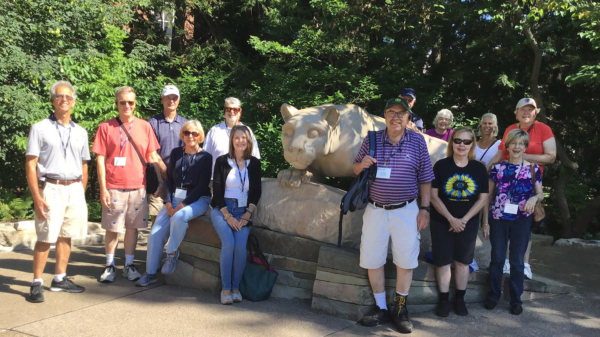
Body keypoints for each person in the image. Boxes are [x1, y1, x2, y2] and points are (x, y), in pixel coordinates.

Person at [354, 97, 434, 333]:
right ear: (385, 116)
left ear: (409, 117)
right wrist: (362, 165)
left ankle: (400, 309)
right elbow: (355, 167)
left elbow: (426, 179)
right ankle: (381, 308)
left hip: (406, 210)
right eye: (391, 112)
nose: (396, 117)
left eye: (401, 113)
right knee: (372, 259)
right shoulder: (372, 139)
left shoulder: (418, 142)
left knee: (405, 261)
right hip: (375, 209)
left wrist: (425, 209)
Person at [25, 80, 89, 302]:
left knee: (66, 235)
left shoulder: (80, 131)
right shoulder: (39, 128)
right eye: (60, 96)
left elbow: (84, 164)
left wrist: (80, 190)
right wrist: (37, 196)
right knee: (45, 236)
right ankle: (36, 283)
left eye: (68, 97)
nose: (64, 100)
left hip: (74, 189)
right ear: (52, 100)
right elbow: (31, 164)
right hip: (51, 187)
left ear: (73, 101)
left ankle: (60, 278)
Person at [91, 86, 161, 283]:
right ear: (117, 104)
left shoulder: (145, 126)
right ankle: (110, 265)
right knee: (112, 229)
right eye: (123, 102)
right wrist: (103, 188)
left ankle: (129, 265)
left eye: (130, 102)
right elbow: (100, 159)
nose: (127, 106)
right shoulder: (106, 127)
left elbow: (152, 156)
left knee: (133, 228)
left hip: (138, 187)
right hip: (113, 186)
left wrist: (162, 180)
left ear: (135, 104)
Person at [136, 120, 212, 286]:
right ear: (182, 135)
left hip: (198, 200)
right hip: (173, 200)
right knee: (154, 235)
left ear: (200, 135)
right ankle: (150, 273)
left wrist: (181, 206)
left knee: (179, 217)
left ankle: (171, 254)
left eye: (194, 133)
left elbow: (201, 186)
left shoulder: (206, 157)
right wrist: (169, 203)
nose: (190, 136)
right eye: (187, 133)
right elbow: (169, 181)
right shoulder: (176, 153)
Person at [487, 98, 556, 279]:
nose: (526, 113)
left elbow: (550, 157)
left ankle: (524, 263)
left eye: (530, 110)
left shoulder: (543, 129)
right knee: (503, 220)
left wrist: (522, 156)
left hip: (529, 181)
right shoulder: (511, 128)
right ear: (516, 112)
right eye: (522, 110)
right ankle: (507, 262)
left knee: (525, 223)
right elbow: (502, 152)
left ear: (536, 112)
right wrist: (486, 168)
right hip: (506, 179)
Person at [430, 127, 489, 317]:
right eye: (457, 141)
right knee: (443, 262)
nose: (461, 145)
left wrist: (463, 220)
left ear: (472, 144)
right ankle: (444, 300)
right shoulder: (441, 165)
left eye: (466, 141)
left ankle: (460, 299)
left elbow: (482, 198)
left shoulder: (478, 168)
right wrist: (450, 218)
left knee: (463, 262)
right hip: (441, 220)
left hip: (467, 223)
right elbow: (433, 196)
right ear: (452, 143)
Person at [484, 129, 543, 315]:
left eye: (521, 143)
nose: (517, 147)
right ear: (507, 146)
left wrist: (534, 199)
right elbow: (487, 196)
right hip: (498, 219)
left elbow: (540, 192)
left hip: (521, 220)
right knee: (497, 259)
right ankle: (493, 295)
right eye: (513, 143)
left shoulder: (533, 168)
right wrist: (485, 222)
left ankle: (515, 300)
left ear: (525, 146)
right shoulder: (497, 168)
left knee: (517, 262)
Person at [210, 125, 262, 305]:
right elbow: (216, 189)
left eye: (244, 138)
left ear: (249, 141)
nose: (240, 141)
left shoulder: (254, 163)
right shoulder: (222, 161)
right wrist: (227, 215)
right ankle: (225, 290)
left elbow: (256, 192)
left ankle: (235, 288)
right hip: (222, 209)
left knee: (240, 247)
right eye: (236, 137)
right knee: (229, 244)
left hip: (243, 212)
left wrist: (247, 215)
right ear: (232, 140)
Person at [147, 85, 188, 219]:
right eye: (168, 98)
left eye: (174, 98)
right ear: (162, 100)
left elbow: (188, 151)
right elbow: (150, 149)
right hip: (157, 177)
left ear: (179, 100)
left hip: (179, 179)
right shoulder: (152, 123)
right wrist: (164, 170)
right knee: (157, 218)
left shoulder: (185, 124)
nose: (171, 101)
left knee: (178, 215)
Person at [471, 113, 501, 271]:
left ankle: (488, 260)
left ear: (495, 126)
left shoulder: (500, 144)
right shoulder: (473, 142)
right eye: (484, 123)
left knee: (486, 224)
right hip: (471, 187)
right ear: (480, 125)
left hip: (490, 189)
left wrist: (485, 167)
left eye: (490, 123)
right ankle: (469, 258)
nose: (487, 126)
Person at [203, 97, 260, 178]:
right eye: (228, 109)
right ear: (224, 111)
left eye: (235, 109)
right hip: (217, 181)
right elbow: (204, 159)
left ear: (240, 112)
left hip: (243, 181)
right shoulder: (214, 131)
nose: (231, 112)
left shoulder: (247, 131)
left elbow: (255, 158)